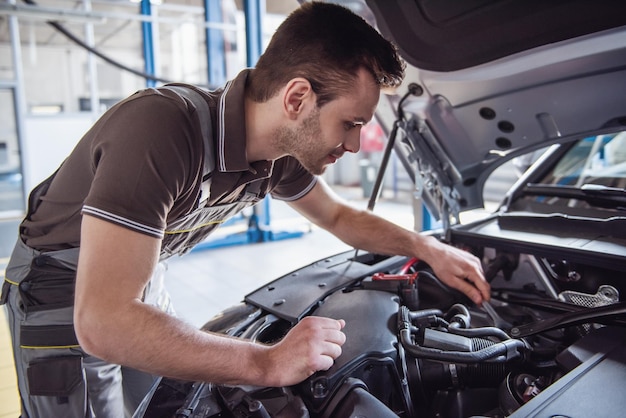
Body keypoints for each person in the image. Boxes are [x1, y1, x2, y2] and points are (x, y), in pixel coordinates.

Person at [1, 2, 490, 417]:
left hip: (139, 277)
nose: (357, 144)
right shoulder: (162, 129)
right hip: (61, 288)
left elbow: (340, 218)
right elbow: (103, 321)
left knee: (161, 400)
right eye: (350, 122)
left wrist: (426, 247)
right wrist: (266, 363)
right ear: (297, 98)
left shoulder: (279, 155)